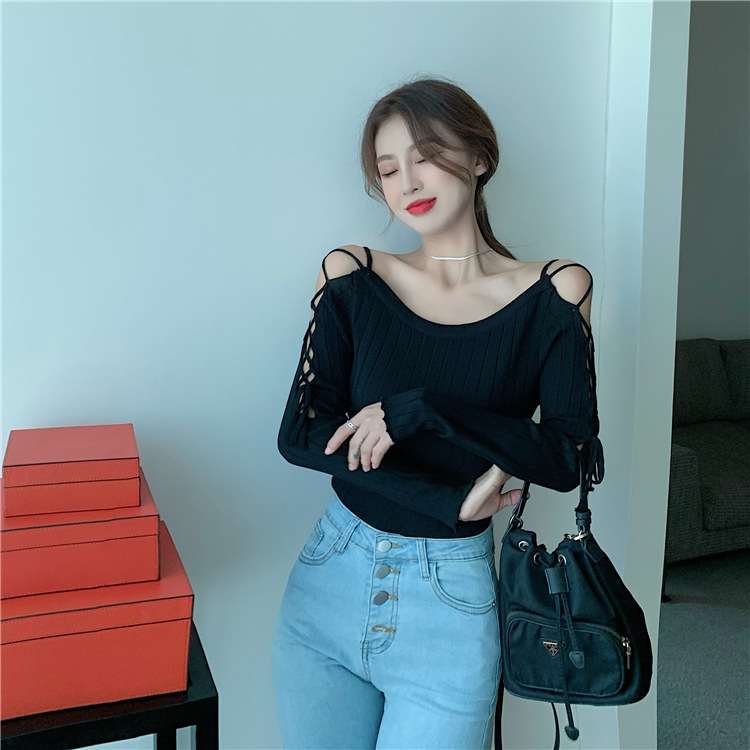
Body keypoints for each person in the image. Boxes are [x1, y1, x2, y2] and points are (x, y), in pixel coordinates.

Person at [272, 77, 604, 750]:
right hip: (330, 578)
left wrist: (420, 409)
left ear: (480, 157)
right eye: (389, 169)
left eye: (425, 156)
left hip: (450, 604)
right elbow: (301, 435)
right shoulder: (351, 276)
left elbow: (565, 458)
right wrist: (447, 501)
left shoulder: (556, 292)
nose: (408, 181)